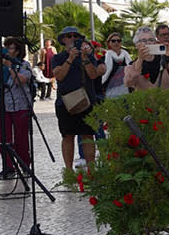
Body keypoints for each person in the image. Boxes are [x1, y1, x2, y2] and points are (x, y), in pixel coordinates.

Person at [51, 27, 101, 170]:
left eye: (76, 36)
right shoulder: (58, 57)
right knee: (68, 136)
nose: (73, 38)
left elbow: (93, 75)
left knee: (88, 136)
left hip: (88, 101)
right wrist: (70, 59)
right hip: (65, 103)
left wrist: (84, 58)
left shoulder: (89, 56)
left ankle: (91, 169)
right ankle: (68, 170)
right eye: (69, 36)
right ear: (63, 40)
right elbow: (59, 76)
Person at [0, 37, 34, 179]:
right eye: (6, 47)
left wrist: (10, 66)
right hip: (1, 106)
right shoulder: (0, 66)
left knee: (21, 138)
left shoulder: (24, 64)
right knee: (3, 138)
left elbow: (21, 80)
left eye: (11, 48)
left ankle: (24, 165)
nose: (7, 51)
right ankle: (8, 167)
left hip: (20, 105)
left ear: (18, 51)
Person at [124, 26, 169, 91]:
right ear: (137, 45)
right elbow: (129, 83)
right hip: (144, 102)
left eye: (151, 40)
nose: (148, 43)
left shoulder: (165, 60)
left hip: (167, 101)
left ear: (155, 42)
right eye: (143, 40)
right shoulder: (133, 65)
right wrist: (140, 59)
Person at [100, 32, 131, 99]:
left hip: (127, 91)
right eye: (113, 41)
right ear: (109, 43)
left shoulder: (127, 56)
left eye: (118, 41)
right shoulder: (103, 59)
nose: (116, 43)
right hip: (110, 91)